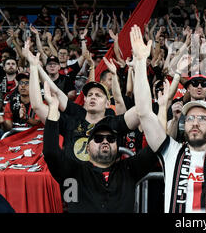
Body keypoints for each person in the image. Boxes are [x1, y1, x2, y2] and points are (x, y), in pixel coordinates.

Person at [130, 24, 206, 213]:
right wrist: (142, 62)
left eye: (202, 118)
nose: (195, 122)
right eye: (190, 118)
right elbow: (143, 112)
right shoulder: (172, 151)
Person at [42, 82, 158, 213]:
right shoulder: (74, 173)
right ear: (87, 148)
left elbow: (156, 145)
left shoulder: (128, 170)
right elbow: (50, 152)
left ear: (117, 144)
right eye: (97, 138)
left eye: (111, 138)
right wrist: (52, 107)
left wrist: (140, 64)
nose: (105, 141)